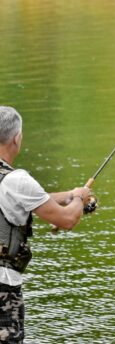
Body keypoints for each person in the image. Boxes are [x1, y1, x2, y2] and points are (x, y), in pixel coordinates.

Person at [0, 106, 92, 343]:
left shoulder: (13, 184)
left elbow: (26, 198)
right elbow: (68, 219)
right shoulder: (17, 180)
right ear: (16, 138)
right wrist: (81, 197)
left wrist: (69, 195)